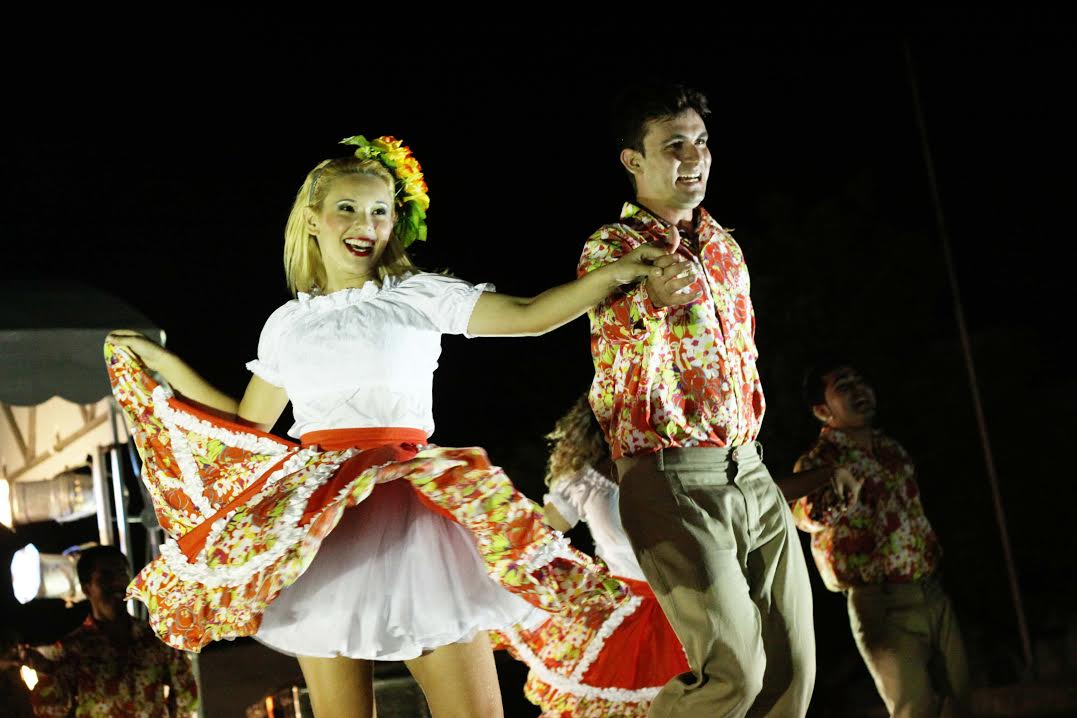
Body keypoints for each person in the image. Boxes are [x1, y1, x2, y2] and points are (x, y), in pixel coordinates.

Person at [107, 134, 668, 718]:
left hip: (416, 515)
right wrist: (167, 367)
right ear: (313, 220)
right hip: (323, 525)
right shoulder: (287, 325)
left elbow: (529, 316)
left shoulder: (418, 295)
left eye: (379, 211)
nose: (365, 224)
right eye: (347, 208)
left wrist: (615, 274)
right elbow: (248, 422)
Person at [579, 82, 816, 717]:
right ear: (633, 159)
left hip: (751, 470)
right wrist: (651, 299)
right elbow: (614, 328)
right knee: (734, 672)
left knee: (792, 673)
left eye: (702, 142)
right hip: (672, 476)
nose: (695, 157)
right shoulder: (613, 246)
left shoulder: (724, 246)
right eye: (674, 145)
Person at [791, 361, 971, 718]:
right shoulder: (818, 463)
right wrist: (832, 491)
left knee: (959, 703)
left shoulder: (891, 449)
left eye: (861, 381)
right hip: (881, 602)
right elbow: (804, 515)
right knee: (914, 709)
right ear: (822, 410)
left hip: (930, 590)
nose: (859, 390)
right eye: (844, 386)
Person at [498, 394, 689, 717]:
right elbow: (540, 535)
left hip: (683, 604)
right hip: (621, 606)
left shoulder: (676, 469)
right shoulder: (585, 482)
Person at [22, 545, 198, 718]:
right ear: (86, 588)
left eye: (122, 574)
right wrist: (47, 672)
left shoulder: (156, 639)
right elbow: (50, 710)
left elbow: (186, 696)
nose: (117, 583)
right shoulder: (72, 650)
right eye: (106, 576)